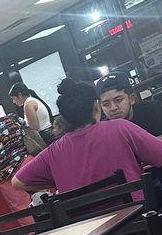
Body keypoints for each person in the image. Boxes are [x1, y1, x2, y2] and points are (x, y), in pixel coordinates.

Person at [13, 77, 162, 196]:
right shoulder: (120, 127)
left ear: (64, 116)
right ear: (96, 106)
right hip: (135, 217)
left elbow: (17, 182)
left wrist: (58, 182)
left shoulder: (53, 151)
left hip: (87, 224)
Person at [96, 70, 162, 137]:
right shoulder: (103, 133)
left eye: (118, 100)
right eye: (106, 104)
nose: (113, 108)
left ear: (131, 98)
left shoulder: (153, 110)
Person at [8, 82, 50, 152]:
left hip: (44, 137)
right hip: (47, 134)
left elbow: (34, 127)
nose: (13, 102)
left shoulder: (28, 105)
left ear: (19, 95)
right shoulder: (32, 100)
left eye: (13, 98)